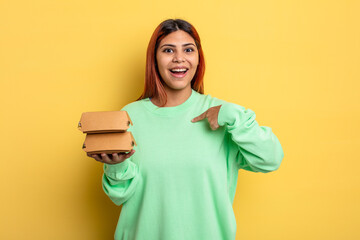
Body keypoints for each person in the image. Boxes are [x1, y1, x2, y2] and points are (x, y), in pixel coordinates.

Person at [87, 18, 284, 240]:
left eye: (188, 50)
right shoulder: (130, 116)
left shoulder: (223, 116)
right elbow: (119, 195)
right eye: (168, 50)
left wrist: (233, 114)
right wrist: (116, 166)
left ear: (198, 58)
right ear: (154, 59)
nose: (179, 58)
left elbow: (270, 158)